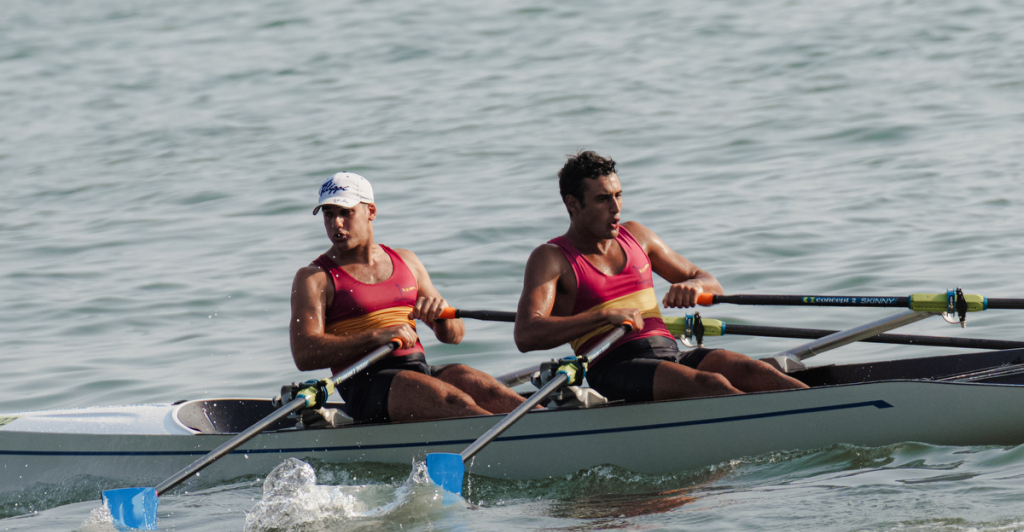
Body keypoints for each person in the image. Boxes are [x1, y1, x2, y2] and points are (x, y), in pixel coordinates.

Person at [514, 151, 808, 402]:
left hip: (669, 352)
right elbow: (526, 334)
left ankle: (818, 410)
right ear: (573, 204)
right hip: (613, 365)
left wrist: (694, 286)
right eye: (602, 199)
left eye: (618, 195)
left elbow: (709, 281)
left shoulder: (637, 236)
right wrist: (603, 316)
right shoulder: (551, 258)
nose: (615, 208)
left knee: (754, 370)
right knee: (711, 384)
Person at [290, 171, 528, 423]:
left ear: (371, 212)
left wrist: (442, 318)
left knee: (487, 389)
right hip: (366, 386)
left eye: (346, 213)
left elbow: (455, 336)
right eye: (328, 214)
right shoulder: (314, 277)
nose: (336, 223)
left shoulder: (407, 261)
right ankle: (514, 436)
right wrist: (377, 336)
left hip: (417, 371)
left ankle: (542, 422)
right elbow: (304, 355)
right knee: (454, 401)